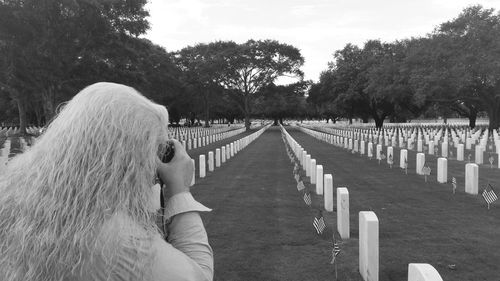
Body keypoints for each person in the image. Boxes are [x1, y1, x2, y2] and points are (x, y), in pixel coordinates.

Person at [0, 82, 213, 281]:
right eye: (152, 150)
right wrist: (179, 190)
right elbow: (198, 276)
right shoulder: (119, 242)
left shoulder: (9, 195)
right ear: (128, 158)